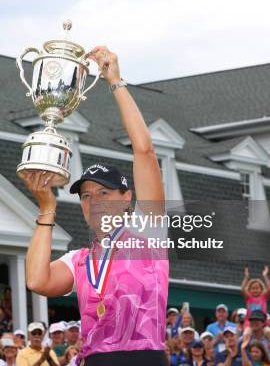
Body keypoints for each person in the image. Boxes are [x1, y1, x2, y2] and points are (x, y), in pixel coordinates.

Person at [23, 46, 168, 366]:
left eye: (104, 193)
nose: (94, 202)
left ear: (127, 197)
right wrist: (46, 208)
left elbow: (144, 151)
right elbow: (36, 281)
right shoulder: (80, 260)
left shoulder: (149, 232)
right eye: (86, 196)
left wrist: (114, 81)